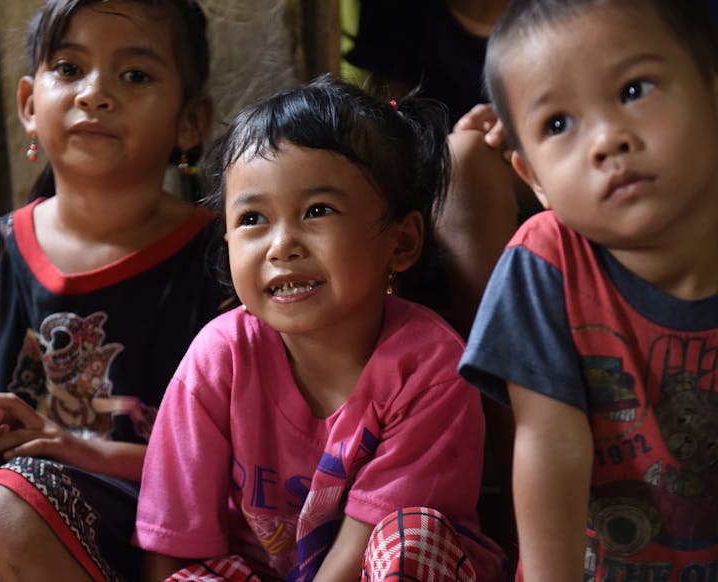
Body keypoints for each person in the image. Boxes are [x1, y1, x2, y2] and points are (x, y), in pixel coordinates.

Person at [0, 1, 220, 580]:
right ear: (29, 104)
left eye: (135, 75)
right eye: (70, 69)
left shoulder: (223, 262)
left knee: (15, 501)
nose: (95, 94)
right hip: (3, 519)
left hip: (162, 534)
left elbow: (244, 460)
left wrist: (66, 451)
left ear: (190, 121)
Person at [134, 74, 507, 582]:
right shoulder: (218, 357)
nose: (281, 245)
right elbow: (173, 546)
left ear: (401, 243)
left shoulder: (430, 368)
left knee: (408, 541)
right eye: (252, 220)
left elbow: (354, 561)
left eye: (317, 211)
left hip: (380, 571)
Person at [458, 0, 718, 579]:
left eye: (634, 90)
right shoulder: (546, 263)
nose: (607, 139)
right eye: (558, 124)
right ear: (533, 178)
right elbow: (551, 448)